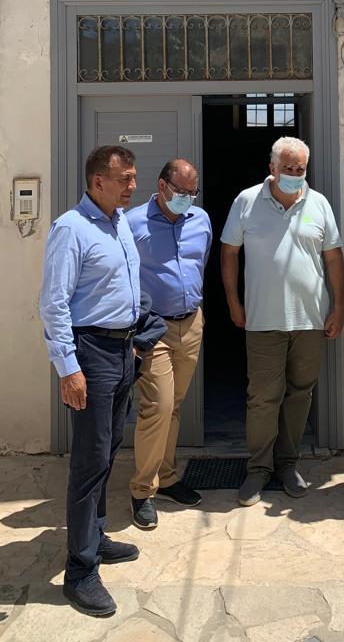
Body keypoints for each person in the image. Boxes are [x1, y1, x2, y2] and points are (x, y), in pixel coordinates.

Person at [39, 146, 148, 618]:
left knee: (106, 452)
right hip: (91, 354)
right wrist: (69, 368)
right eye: (124, 179)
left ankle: (94, 537)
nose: (132, 187)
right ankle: (80, 571)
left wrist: (136, 341)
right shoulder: (71, 228)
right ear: (97, 181)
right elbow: (54, 303)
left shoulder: (119, 222)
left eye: (133, 177)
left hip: (122, 351)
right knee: (89, 460)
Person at [220, 136, 344, 506]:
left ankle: (288, 464)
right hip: (262, 320)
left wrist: (338, 307)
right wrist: (233, 301)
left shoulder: (318, 203)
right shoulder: (246, 201)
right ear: (272, 168)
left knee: (300, 394)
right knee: (263, 397)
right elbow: (229, 253)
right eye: (287, 167)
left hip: (310, 320)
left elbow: (333, 258)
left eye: (300, 168)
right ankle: (258, 469)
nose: (294, 174)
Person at [127, 159, 212, 529]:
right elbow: (121, 274)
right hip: (154, 328)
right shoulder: (132, 223)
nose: (188, 199)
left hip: (191, 323)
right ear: (162, 186)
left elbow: (198, 264)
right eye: (182, 192)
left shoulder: (201, 220)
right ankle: (142, 490)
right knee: (157, 406)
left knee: (174, 405)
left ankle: (166, 476)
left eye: (193, 192)